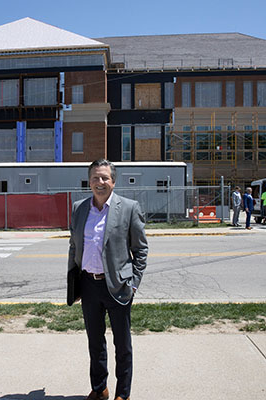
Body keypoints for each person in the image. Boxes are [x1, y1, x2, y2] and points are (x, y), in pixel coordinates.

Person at [68, 159, 148, 400]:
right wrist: (76, 284)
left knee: (122, 345)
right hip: (89, 286)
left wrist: (133, 283)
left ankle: (123, 394)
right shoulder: (79, 208)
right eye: (95, 178)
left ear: (113, 181)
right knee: (95, 342)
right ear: (89, 181)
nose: (99, 182)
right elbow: (74, 246)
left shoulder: (129, 208)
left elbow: (141, 250)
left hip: (119, 287)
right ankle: (99, 388)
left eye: (104, 178)